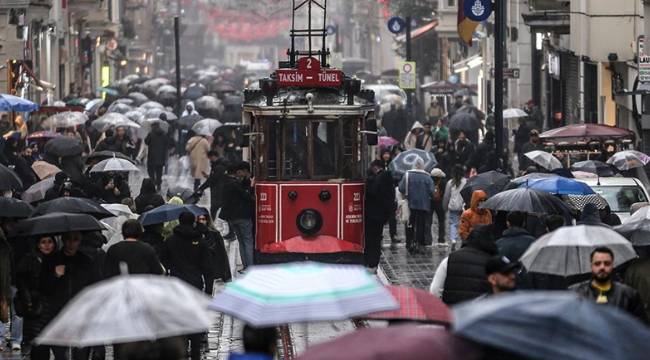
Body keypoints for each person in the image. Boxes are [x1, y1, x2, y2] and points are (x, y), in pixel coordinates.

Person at [35, 231, 98, 359]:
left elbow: (94, 285)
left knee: (81, 353)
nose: (71, 243)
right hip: (58, 312)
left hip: (81, 313)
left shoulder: (86, 261)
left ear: (80, 241)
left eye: (75, 239)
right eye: (68, 239)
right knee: (60, 353)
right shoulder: (51, 260)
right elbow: (43, 287)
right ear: (63, 240)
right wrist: (55, 276)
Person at [160, 212, 214, 360]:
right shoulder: (200, 241)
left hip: (176, 284)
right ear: (193, 222)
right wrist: (209, 290)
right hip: (196, 284)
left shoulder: (170, 241)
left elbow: (162, 262)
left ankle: (182, 348)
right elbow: (208, 267)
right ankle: (195, 349)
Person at [571, 247, 647, 323]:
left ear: (612, 265)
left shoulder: (628, 294)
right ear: (591, 266)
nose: (602, 267)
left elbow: (639, 326)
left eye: (607, 263)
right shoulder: (576, 293)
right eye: (597, 263)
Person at [14, 236, 55, 354]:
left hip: (51, 309)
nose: (47, 245)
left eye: (50, 242)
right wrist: (28, 301)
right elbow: (22, 284)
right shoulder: (29, 260)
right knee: (38, 346)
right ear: (38, 244)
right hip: (35, 308)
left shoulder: (56, 259)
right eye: (43, 242)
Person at [442, 225, 497, 304]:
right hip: (480, 310)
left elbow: (435, 289)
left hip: (454, 310)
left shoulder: (451, 258)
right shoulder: (493, 262)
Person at [220, 162, 254, 270]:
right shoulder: (235, 184)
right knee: (247, 241)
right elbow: (248, 197)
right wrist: (252, 187)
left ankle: (245, 266)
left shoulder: (226, 183)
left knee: (241, 242)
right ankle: (250, 267)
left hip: (232, 218)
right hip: (243, 217)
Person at [398, 158, 435, 254]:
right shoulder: (427, 177)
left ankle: (409, 243)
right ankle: (420, 243)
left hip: (410, 204)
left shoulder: (407, 175)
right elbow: (432, 191)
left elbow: (401, 188)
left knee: (410, 224)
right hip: (423, 205)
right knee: (421, 225)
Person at [364, 160, 395, 269]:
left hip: (373, 214)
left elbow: (373, 191)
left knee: (371, 239)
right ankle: (373, 262)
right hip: (381, 215)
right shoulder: (388, 179)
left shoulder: (378, 179)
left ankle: (371, 261)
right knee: (376, 238)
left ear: (375, 167)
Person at [196, 213, 232, 282]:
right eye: (199, 219)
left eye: (203, 219)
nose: (201, 221)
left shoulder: (215, 234)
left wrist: (226, 275)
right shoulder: (194, 233)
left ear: (207, 220)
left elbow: (223, 254)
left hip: (211, 266)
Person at [197, 151, 229, 219]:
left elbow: (213, 179)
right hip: (222, 190)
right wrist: (209, 176)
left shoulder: (218, 166)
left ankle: (212, 225)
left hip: (218, 191)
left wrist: (201, 188)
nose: (210, 160)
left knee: (214, 209)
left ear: (213, 156)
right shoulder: (220, 164)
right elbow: (216, 177)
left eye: (210, 158)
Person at [443, 164, 467, 248]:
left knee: (453, 223)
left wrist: (445, 206)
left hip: (453, 206)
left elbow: (446, 196)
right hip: (463, 206)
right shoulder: (466, 182)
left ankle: (453, 239)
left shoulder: (450, 183)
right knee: (463, 223)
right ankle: (463, 239)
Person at [144, 121, 170, 190]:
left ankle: (153, 182)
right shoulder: (164, 134)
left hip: (152, 157)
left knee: (150, 170)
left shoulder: (150, 134)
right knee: (159, 172)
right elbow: (167, 143)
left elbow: (146, 142)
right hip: (161, 157)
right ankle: (158, 184)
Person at [430, 168, 446, 245]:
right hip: (440, 203)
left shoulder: (430, 181)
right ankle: (441, 239)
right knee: (441, 221)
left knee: (428, 221)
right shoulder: (443, 182)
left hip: (430, 202)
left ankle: (428, 239)